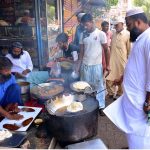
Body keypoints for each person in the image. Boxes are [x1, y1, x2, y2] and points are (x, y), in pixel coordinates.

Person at [104, 8, 150, 148]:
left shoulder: (148, 39)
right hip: (133, 99)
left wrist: (149, 100)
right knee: (132, 134)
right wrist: (123, 77)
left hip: (141, 101)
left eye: (129, 25)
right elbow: (136, 64)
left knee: (141, 137)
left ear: (138, 22)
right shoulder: (140, 39)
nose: (128, 29)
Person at [76, 14, 110, 116]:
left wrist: (108, 65)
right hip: (85, 66)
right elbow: (81, 52)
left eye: (86, 25)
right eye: (83, 25)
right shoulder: (83, 35)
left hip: (96, 66)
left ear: (92, 21)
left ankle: (101, 106)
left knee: (99, 86)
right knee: (85, 87)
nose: (85, 27)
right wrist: (78, 66)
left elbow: (106, 50)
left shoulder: (100, 34)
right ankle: (87, 105)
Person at [106, 18, 131, 99]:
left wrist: (129, 63)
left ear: (122, 24)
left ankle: (120, 95)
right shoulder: (113, 33)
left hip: (122, 62)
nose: (115, 26)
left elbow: (129, 51)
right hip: (112, 61)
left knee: (121, 80)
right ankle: (111, 93)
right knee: (109, 79)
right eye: (115, 25)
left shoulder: (128, 34)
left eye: (117, 24)